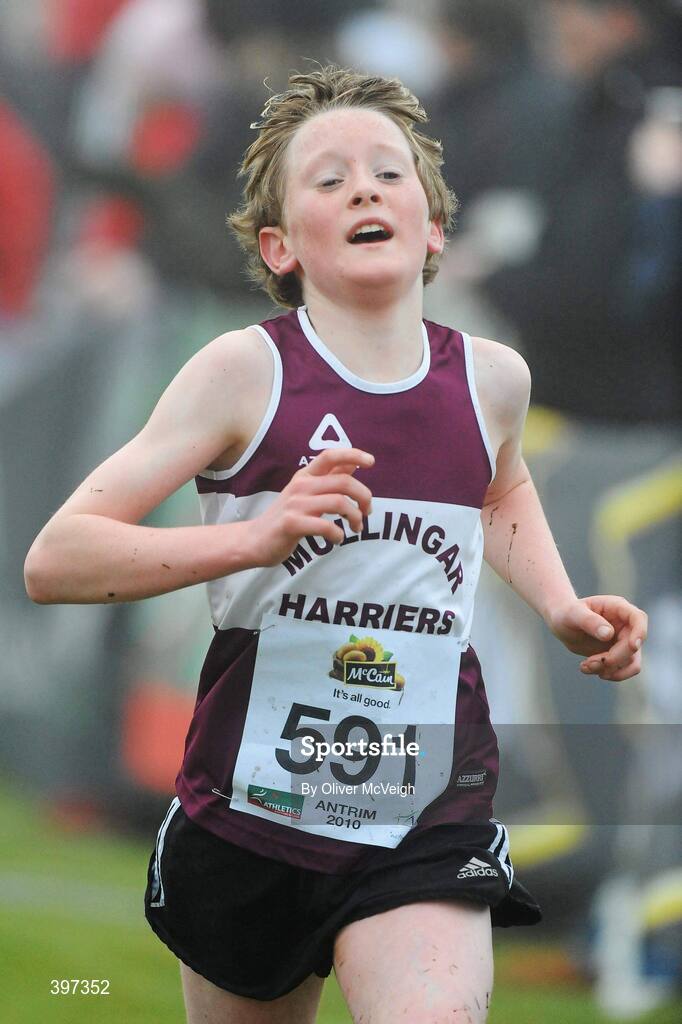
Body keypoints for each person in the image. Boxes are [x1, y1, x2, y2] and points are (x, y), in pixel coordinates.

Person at [24, 64, 647, 1024]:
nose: (363, 187)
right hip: (248, 815)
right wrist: (255, 538)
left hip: (425, 808)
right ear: (281, 246)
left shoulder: (492, 381)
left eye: (388, 174)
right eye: (328, 178)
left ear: (434, 228)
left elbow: (502, 486)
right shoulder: (243, 373)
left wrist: (560, 603)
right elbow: (56, 559)